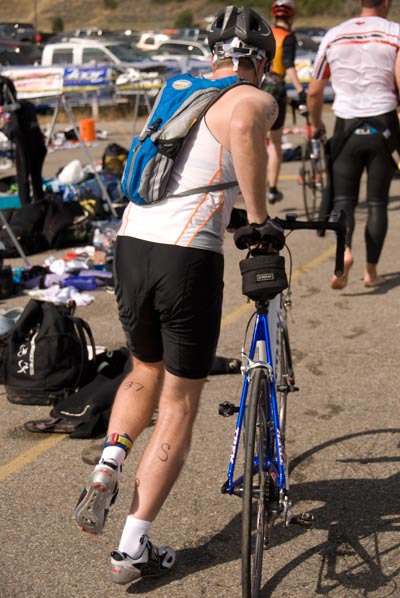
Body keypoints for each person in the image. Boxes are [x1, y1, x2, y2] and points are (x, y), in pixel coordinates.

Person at [75, 5, 284, 585]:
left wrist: (233, 210)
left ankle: (110, 460)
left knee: (143, 369)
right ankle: (132, 546)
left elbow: (191, 169)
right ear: (261, 62)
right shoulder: (252, 96)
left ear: (211, 55)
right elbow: (243, 127)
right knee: (180, 401)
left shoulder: (181, 88)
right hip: (185, 258)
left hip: (133, 242)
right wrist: (260, 219)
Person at [307, 0, 400, 289]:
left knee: (344, 201)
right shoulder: (395, 33)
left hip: (345, 125)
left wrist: (316, 123)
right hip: (383, 124)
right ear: (385, 3)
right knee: (377, 202)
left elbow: (314, 92)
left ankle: (344, 253)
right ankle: (371, 272)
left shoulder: (334, 34)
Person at [262, 0, 306, 204]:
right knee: (276, 143)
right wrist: (300, 90)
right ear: (292, 17)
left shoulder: (266, 34)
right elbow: (288, 67)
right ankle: (272, 188)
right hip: (277, 90)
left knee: (255, 139)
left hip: (259, 87)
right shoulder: (288, 37)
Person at [0, 76, 47, 207]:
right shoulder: (26, 108)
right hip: (33, 144)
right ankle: (37, 201)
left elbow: (11, 130)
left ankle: (29, 205)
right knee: (31, 176)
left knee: (25, 177)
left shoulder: (19, 111)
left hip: (27, 143)